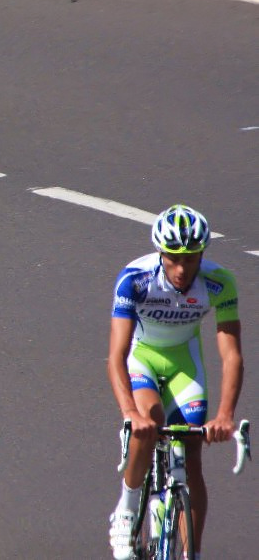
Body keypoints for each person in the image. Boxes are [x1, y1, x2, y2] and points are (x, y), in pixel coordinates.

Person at [107, 204, 242, 560]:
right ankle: (126, 509)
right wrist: (129, 413)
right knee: (148, 425)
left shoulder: (219, 282)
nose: (182, 269)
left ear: (202, 254)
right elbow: (117, 355)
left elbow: (231, 355)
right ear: (161, 253)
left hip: (186, 363)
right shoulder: (134, 279)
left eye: (192, 259)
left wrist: (225, 415)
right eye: (173, 259)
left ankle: (191, 552)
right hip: (144, 357)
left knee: (191, 453)